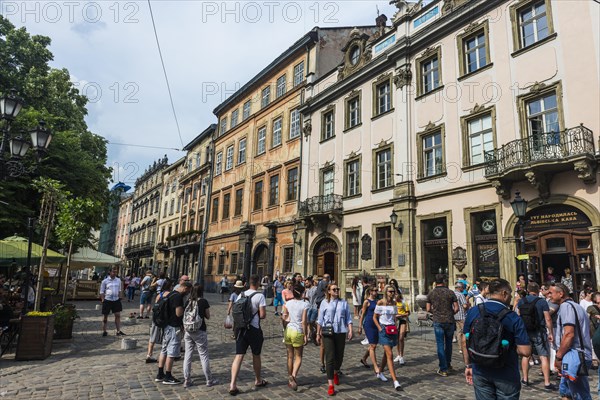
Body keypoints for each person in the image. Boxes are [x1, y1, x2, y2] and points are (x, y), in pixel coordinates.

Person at [462, 279, 532, 399]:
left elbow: (465, 341)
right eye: (510, 293)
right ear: (504, 293)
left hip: (480, 370)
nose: (511, 297)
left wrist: (468, 365)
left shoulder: (474, 311)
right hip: (506, 373)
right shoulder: (512, 317)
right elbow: (525, 351)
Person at [550, 282, 593, 400]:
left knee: (580, 394)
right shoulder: (577, 306)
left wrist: (558, 357)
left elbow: (569, 334)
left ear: (561, 293)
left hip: (575, 356)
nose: (548, 296)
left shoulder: (566, 307)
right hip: (575, 355)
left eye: (551, 293)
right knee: (566, 391)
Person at [228, 274, 268, 396]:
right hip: (254, 329)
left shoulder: (242, 294)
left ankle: (232, 385)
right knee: (256, 355)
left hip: (241, 329)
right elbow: (262, 315)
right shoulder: (260, 296)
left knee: (239, 356)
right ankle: (258, 380)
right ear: (258, 284)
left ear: (248, 283)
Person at [517, 282, 556, 390]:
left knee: (526, 355)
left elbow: (519, 315)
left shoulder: (521, 301)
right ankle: (547, 383)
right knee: (543, 356)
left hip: (525, 331)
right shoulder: (542, 302)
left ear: (528, 290)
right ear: (538, 290)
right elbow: (548, 318)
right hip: (539, 331)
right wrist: (551, 333)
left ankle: (525, 379)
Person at [316, 282, 353, 396]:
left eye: (337, 289)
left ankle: (336, 371)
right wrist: (318, 333)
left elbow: (348, 318)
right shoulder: (324, 303)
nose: (336, 291)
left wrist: (350, 330)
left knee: (339, 356)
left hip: (341, 331)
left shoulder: (343, 303)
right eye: (334, 289)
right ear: (329, 291)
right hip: (327, 332)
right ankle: (331, 384)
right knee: (330, 357)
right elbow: (320, 319)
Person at [155, 280, 192, 385]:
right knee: (171, 352)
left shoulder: (171, 294)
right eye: (188, 291)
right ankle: (168, 376)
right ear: (184, 288)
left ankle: (160, 374)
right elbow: (178, 313)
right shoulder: (178, 297)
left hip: (166, 325)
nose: (188, 293)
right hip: (173, 326)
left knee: (164, 349)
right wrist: (186, 309)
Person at [182, 283, 218, 388]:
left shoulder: (188, 301)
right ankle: (209, 380)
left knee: (187, 356)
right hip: (200, 331)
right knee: (203, 355)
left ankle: (187, 380)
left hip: (188, 331)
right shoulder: (203, 301)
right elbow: (208, 316)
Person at [426, 274, 458, 376]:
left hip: (438, 321)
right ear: (444, 281)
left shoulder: (431, 293)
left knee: (440, 344)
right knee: (449, 344)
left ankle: (443, 369)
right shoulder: (450, 292)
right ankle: (448, 364)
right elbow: (456, 308)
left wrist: (435, 312)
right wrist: (450, 313)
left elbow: (427, 309)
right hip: (449, 321)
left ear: (435, 282)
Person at [373, 285, 403, 391]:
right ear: (386, 292)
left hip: (392, 329)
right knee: (390, 354)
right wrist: (379, 328)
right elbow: (374, 317)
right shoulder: (380, 302)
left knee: (387, 353)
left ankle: (380, 372)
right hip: (383, 330)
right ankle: (395, 381)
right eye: (390, 291)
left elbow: (394, 317)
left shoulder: (394, 303)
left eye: (393, 291)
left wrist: (395, 326)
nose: (392, 293)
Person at [281, 283, 309, 391]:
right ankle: (293, 376)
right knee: (298, 357)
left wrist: (284, 327)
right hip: (297, 331)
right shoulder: (304, 304)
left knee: (289, 356)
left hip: (289, 330)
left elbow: (284, 317)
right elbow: (304, 321)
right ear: (302, 293)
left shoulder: (288, 303)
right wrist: (305, 335)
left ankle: (289, 378)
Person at [358, 286, 385, 378]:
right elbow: (362, 314)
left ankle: (364, 358)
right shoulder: (367, 302)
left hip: (376, 324)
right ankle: (376, 367)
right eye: (374, 290)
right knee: (373, 345)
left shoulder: (378, 301)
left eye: (376, 290)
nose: (376, 292)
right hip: (369, 324)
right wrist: (360, 326)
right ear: (370, 291)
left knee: (373, 344)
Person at [145, 280, 173, 364]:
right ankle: (164, 355)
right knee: (166, 336)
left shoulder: (159, 295)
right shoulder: (170, 295)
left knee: (152, 336)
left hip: (156, 317)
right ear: (170, 287)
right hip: (165, 318)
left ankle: (149, 354)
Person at [99, 267, 125, 337]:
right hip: (107, 300)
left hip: (116, 300)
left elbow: (120, 290)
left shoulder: (118, 280)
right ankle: (104, 331)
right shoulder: (105, 281)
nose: (115, 273)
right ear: (110, 272)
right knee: (105, 317)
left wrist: (120, 297)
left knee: (118, 315)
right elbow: (101, 291)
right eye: (113, 272)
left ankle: (118, 331)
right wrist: (103, 299)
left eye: (116, 272)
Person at [395, 291, 410, 365]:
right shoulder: (393, 303)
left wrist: (400, 315)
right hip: (395, 321)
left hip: (403, 320)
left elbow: (408, 313)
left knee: (401, 338)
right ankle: (398, 354)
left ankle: (401, 356)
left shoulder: (403, 303)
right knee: (397, 338)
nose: (395, 295)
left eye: (396, 294)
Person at [453, 282, 468, 354]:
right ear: (459, 288)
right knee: (464, 332)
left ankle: (460, 348)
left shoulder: (452, 294)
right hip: (462, 316)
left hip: (455, 315)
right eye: (463, 287)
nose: (464, 289)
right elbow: (465, 306)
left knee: (458, 332)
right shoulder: (460, 295)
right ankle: (465, 347)